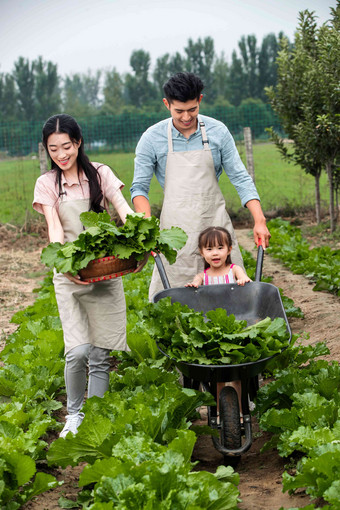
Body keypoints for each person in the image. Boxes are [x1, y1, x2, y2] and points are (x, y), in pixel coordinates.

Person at [33, 114, 134, 438]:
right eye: (54, 149)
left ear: (78, 143)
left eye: (66, 146)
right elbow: (55, 228)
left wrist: (142, 239)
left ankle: (96, 419)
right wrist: (66, 264)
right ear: (47, 151)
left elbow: (123, 209)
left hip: (103, 271)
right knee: (77, 351)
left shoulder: (100, 173)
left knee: (101, 352)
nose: (61, 155)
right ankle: (74, 415)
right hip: (70, 275)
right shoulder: (48, 183)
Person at [130, 72, 270, 299]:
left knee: (229, 293)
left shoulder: (218, 132)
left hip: (213, 222)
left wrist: (259, 220)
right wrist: (147, 225)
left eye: (192, 109)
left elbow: (240, 177)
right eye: (179, 111)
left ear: (200, 101)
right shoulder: (151, 138)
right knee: (178, 292)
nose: (186, 117)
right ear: (167, 104)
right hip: (176, 229)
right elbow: (139, 188)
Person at [186, 226, 251, 288]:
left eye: (220, 248)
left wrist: (243, 281)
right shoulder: (201, 277)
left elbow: (248, 282)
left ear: (229, 250)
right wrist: (193, 286)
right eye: (209, 249)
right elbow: (195, 286)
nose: (215, 253)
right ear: (202, 252)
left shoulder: (235, 270)